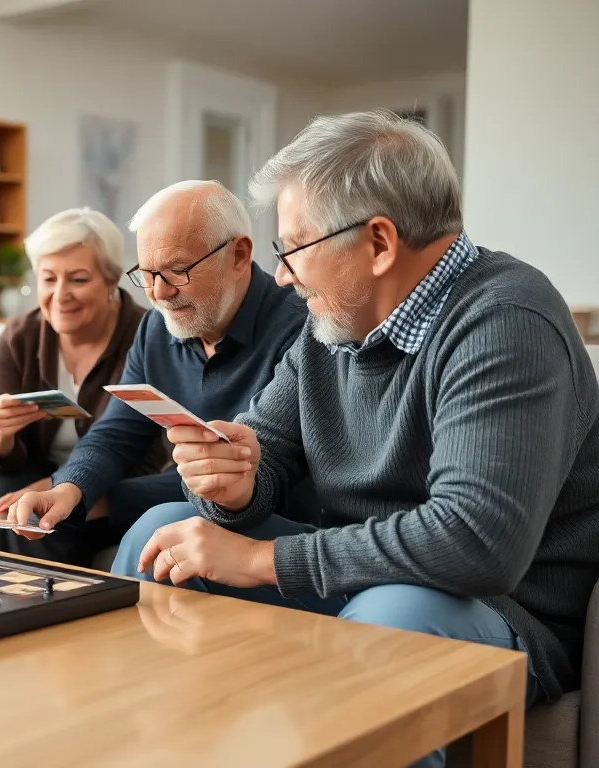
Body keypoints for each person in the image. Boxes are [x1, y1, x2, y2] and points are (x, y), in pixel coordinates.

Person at [113, 111, 599, 768]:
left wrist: (260, 561)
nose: (281, 275)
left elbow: (478, 543)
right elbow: (271, 448)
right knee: (161, 534)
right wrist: (234, 478)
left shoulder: (506, 319)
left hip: (490, 605)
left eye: (294, 247)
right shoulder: (330, 327)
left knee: (388, 618)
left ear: (378, 243)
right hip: (359, 574)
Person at [2, 180, 310, 543]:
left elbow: (237, 470)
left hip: (276, 519)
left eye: (177, 270)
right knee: (32, 525)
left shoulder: (300, 325)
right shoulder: (157, 328)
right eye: (147, 275)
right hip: (191, 500)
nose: (159, 294)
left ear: (239, 256)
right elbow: (117, 433)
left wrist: (102, 498)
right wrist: (69, 488)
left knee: (146, 522)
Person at [0, 207, 164, 565]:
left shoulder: (146, 336)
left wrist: (58, 485)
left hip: (109, 482)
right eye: (48, 278)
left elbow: (144, 453)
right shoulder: (20, 336)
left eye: (79, 279)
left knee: (45, 524)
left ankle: (35, 610)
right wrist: (0, 435)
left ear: (112, 280)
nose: (60, 294)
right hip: (29, 471)